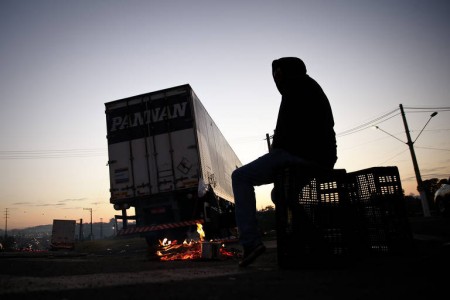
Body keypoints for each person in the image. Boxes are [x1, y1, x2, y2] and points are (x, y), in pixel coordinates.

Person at [231, 57, 337, 267]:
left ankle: (251, 243)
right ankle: (315, 241)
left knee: (240, 176)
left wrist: (274, 151)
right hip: (322, 157)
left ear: (281, 73)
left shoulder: (294, 89)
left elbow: (282, 138)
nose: (275, 80)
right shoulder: (311, 87)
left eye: (276, 75)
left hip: (301, 155)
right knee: (279, 194)